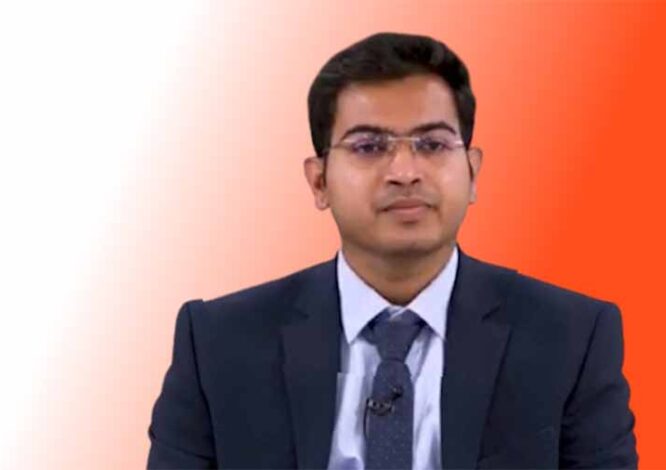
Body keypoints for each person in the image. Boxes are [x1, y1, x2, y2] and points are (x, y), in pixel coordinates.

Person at [147, 32, 638, 469]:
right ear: (319, 181)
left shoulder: (570, 338)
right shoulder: (219, 343)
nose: (405, 172)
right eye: (368, 147)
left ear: (472, 172)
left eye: (433, 145)